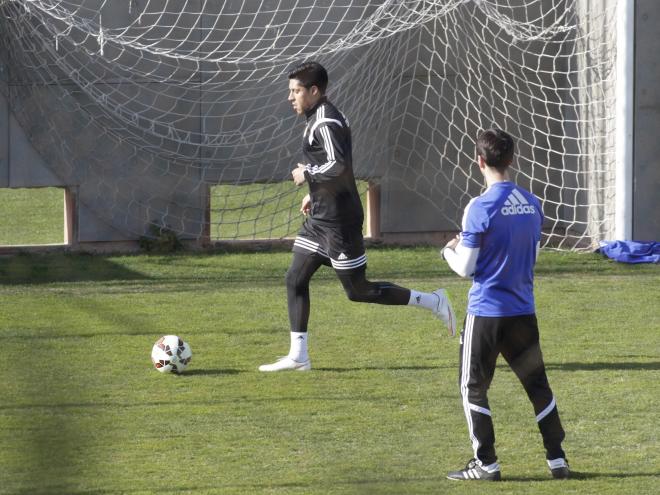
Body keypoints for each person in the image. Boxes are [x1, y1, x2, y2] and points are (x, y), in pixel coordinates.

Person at [259, 61, 456, 372]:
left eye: (295, 91)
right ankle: (299, 357)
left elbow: (338, 165)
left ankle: (433, 302)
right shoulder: (319, 117)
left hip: (340, 222)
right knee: (295, 278)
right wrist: (315, 193)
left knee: (358, 291)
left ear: (314, 91)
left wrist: (306, 173)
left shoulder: (326, 122)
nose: (290, 97)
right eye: (290, 91)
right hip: (321, 218)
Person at [441, 128, 569, 481]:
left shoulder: (478, 207)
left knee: (473, 387)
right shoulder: (532, 203)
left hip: (486, 314)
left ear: (479, 162)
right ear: (511, 159)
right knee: (537, 385)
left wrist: (448, 250)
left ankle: (487, 464)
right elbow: (532, 255)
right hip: (523, 313)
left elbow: (466, 268)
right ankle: (557, 459)